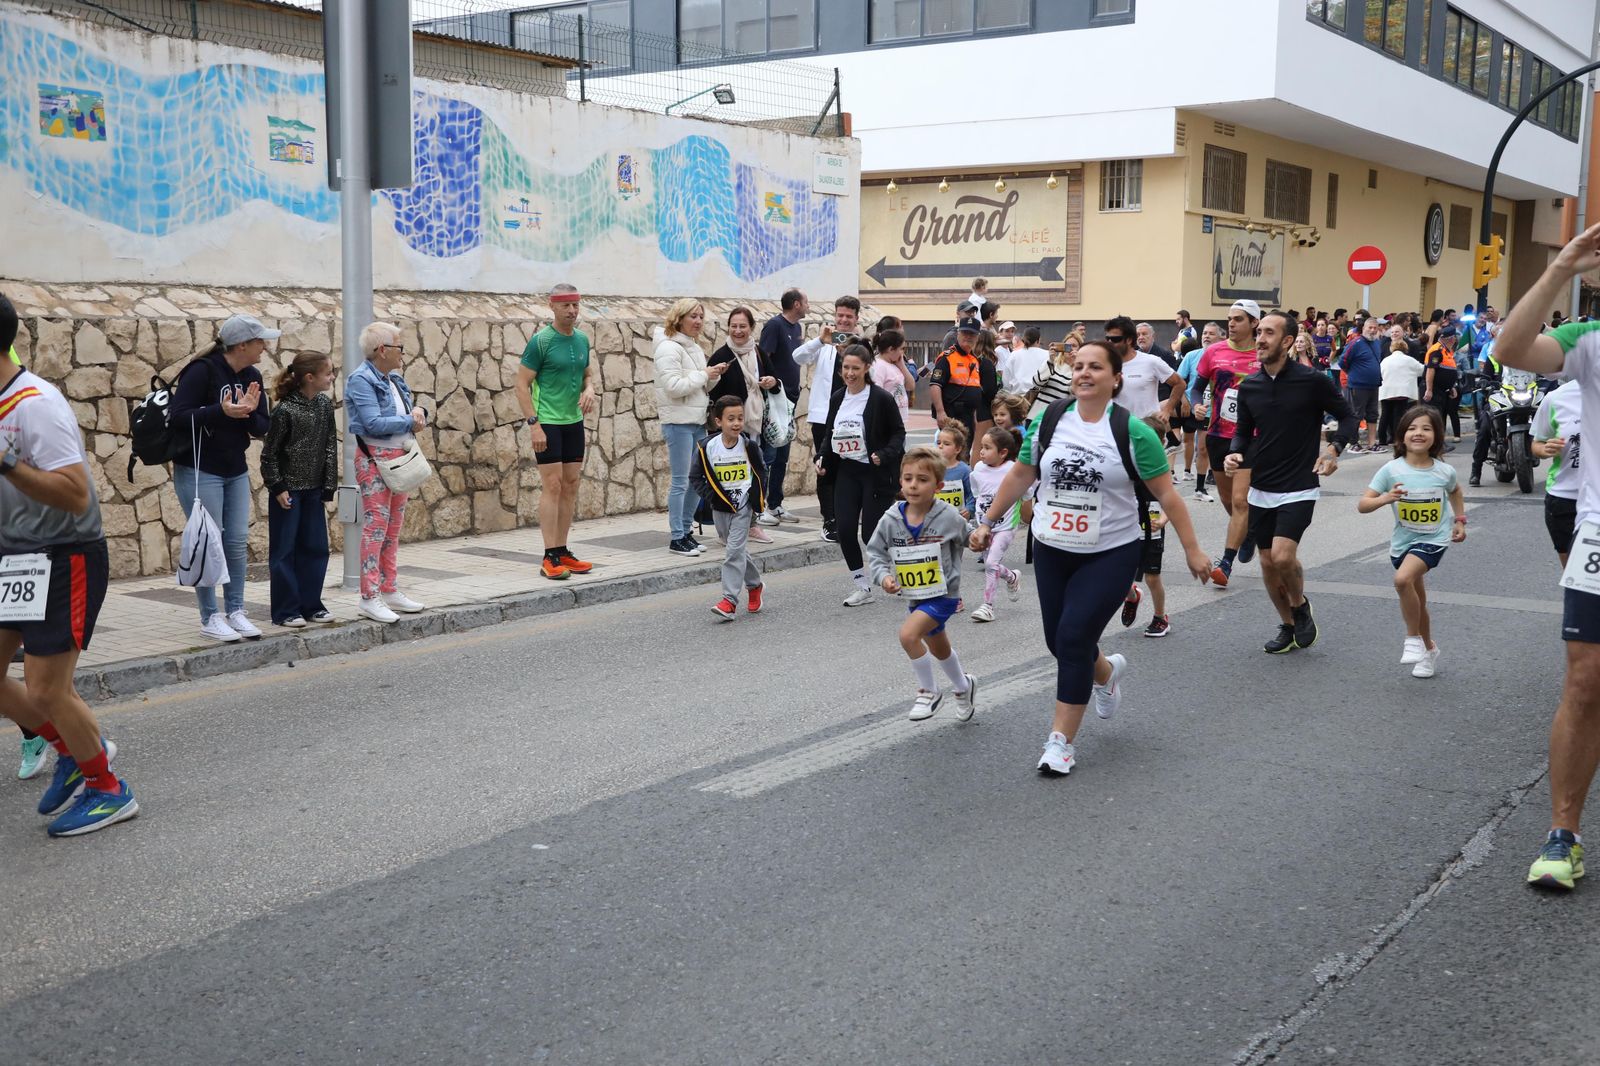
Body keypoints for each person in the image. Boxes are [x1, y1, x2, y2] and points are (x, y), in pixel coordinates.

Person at [971, 341, 1210, 777]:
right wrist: (987, 521)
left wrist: (1193, 550)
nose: (1084, 373)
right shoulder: (1049, 421)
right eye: (1078, 365)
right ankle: (1106, 675)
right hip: (1051, 547)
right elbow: (1023, 474)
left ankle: (1060, 742)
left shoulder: (1133, 432)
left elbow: (1167, 494)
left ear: (1115, 378)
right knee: (1060, 642)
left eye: (1095, 367)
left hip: (1111, 552)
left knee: (1075, 636)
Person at [0, 293, 135, 836]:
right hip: (12, 556)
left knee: (46, 688)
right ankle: (73, 752)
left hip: (64, 554)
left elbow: (76, 494)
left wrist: (7, 462)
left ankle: (108, 789)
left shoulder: (36, 403)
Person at [1500, 224, 1600, 889]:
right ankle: (1563, 833)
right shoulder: (1589, 342)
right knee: (1586, 680)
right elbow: (1510, 349)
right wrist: (1560, 267)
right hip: (1599, 532)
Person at [1223, 311, 1358, 654]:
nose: (1261, 338)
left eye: (1269, 333)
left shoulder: (1311, 381)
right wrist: (1234, 454)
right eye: (1260, 332)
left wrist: (1333, 450)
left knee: (1283, 557)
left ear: (1287, 341)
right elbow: (1242, 431)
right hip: (1261, 485)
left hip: (1300, 483)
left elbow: (1347, 417)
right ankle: (1287, 625)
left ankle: (1299, 607)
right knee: (1267, 563)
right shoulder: (1250, 386)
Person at [170, 313, 272, 643]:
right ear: (242, 344)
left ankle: (236, 611)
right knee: (206, 542)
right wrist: (221, 411)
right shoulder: (203, 371)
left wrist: (249, 413)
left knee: (235, 542)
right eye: (260, 342)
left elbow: (261, 427)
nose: (265, 347)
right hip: (200, 471)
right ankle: (209, 616)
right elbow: (178, 416)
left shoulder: (252, 375)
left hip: (235, 469)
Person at [866, 446, 977, 722]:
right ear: (901, 481)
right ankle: (964, 687)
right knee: (940, 649)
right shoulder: (891, 519)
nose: (914, 485)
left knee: (908, 636)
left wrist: (978, 538)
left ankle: (929, 691)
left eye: (923, 480)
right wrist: (885, 578)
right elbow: (876, 552)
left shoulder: (948, 516)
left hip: (944, 594)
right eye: (908, 478)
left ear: (938, 486)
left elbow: (969, 537)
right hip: (916, 596)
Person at [1357, 404, 1466, 679]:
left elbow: (1455, 491)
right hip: (1403, 542)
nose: (1419, 433)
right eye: (1412, 428)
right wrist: (1385, 498)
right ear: (1401, 436)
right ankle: (1428, 651)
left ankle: (1412, 639)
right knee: (1418, 600)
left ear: (1436, 436)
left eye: (1426, 428)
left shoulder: (1443, 471)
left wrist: (1460, 520)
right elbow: (1363, 505)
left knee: (1402, 581)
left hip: (1433, 539)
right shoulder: (1391, 470)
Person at [346, 322, 429, 623]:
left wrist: (419, 413)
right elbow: (373, 424)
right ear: (383, 350)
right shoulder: (361, 380)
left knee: (393, 528)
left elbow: (406, 413)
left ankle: (389, 588)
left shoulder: (393, 379)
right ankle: (369, 596)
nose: (403, 353)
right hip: (375, 461)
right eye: (399, 347)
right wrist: (409, 419)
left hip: (399, 460)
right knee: (376, 527)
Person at [517, 283, 599, 579]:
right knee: (552, 485)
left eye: (576, 305)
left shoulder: (581, 340)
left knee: (571, 484)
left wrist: (589, 389)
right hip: (547, 422)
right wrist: (534, 425)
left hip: (573, 421)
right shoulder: (541, 341)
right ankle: (549, 555)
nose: (572, 310)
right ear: (552, 306)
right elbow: (521, 384)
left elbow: (587, 373)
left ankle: (563, 550)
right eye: (566, 305)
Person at [820, 344, 906, 607]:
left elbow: (898, 434)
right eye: (846, 367)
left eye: (855, 368)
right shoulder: (837, 398)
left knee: (871, 535)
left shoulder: (880, 398)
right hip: (847, 471)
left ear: (867, 367)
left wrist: (884, 454)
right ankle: (862, 586)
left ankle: (903, 572)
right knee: (845, 531)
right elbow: (829, 434)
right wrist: (821, 458)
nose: (849, 373)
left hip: (875, 473)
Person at [260, 352, 338, 628]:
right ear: (310, 377)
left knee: (316, 548)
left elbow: (330, 445)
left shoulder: (324, 406)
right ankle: (285, 610)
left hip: (313, 491)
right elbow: (269, 455)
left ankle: (311, 605)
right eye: (328, 373)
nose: (332, 377)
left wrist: (328, 485)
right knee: (284, 552)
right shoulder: (284, 410)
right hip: (288, 493)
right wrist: (278, 486)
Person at [1189, 300, 1263, 586]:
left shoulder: (1263, 353)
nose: (1231, 324)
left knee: (1241, 500)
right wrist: (1197, 405)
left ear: (1254, 323)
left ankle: (1226, 563)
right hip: (1219, 434)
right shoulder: (1213, 352)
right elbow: (1196, 388)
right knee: (1226, 499)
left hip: (1252, 437)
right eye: (1229, 319)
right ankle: (1248, 531)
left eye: (1238, 319)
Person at [690, 396, 768, 621]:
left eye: (740, 418)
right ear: (718, 422)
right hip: (720, 508)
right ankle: (755, 586)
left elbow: (761, 473)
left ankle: (729, 602)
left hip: (743, 507)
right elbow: (695, 476)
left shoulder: (749, 447)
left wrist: (757, 501)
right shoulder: (707, 447)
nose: (736, 423)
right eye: (730, 418)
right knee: (737, 550)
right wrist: (711, 496)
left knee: (733, 552)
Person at [652, 298, 720, 558]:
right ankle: (676, 537)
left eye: (701, 316)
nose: (699, 321)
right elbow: (674, 387)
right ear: (678, 318)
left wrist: (713, 375)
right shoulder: (669, 348)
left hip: (696, 421)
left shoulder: (692, 347)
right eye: (693, 316)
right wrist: (704, 374)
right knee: (681, 481)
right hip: (678, 423)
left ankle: (686, 531)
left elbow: (698, 388)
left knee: (696, 480)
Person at [708, 306, 778, 545]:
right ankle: (726, 529)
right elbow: (712, 394)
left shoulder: (758, 353)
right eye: (734, 326)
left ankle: (752, 524)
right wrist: (715, 376)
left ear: (751, 328)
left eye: (743, 326)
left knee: (756, 475)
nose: (738, 331)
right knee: (729, 478)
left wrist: (771, 382)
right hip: (728, 431)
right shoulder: (721, 356)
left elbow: (775, 381)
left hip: (754, 427)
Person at [796, 296, 863, 543]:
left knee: (851, 466)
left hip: (852, 418)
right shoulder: (823, 345)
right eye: (840, 315)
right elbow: (798, 357)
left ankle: (846, 514)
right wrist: (819, 340)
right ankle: (829, 519)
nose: (844, 320)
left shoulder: (860, 345)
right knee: (825, 466)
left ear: (856, 319)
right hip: (824, 417)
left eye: (849, 316)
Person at [756, 289, 808, 526]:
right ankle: (760, 507)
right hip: (775, 399)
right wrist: (771, 387)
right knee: (769, 454)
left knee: (782, 455)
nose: (807, 305)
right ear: (797, 304)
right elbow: (763, 357)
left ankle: (775, 504)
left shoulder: (796, 328)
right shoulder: (775, 326)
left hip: (790, 400)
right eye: (805, 302)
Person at [967, 427, 1022, 623]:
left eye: (987, 448)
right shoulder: (979, 470)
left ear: (1003, 452)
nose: (981, 451)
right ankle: (1012, 577)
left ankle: (988, 607)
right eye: (981, 447)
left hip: (1006, 526)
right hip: (984, 526)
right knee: (993, 564)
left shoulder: (1013, 470)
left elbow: (1028, 490)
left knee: (991, 564)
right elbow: (977, 494)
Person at [1533, 379, 1583, 566]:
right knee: (1576, 580)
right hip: (1565, 500)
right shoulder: (1556, 398)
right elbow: (1537, 443)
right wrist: (1545, 448)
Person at [1111, 316, 1185, 424]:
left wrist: (1167, 410)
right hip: (1119, 424)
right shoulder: (1109, 362)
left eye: (1144, 334)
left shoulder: (1159, 357)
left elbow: (1179, 383)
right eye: (1138, 335)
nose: (1141, 337)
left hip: (1149, 422)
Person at [929, 317, 986, 450]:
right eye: (965, 333)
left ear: (977, 337)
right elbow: (935, 385)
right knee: (950, 453)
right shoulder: (947, 357)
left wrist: (975, 418)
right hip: (952, 415)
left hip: (968, 416)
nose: (968, 337)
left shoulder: (974, 360)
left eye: (972, 334)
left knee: (964, 453)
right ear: (958, 334)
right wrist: (940, 412)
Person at [1339, 316, 1385, 453]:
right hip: (1358, 385)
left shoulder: (1377, 343)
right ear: (1363, 328)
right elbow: (1343, 362)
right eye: (1369, 328)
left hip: (1373, 384)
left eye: (1375, 328)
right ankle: (1353, 442)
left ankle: (1372, 444)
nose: (1372, 330)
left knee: (1372, 414)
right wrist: (1353, 374)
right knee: (1356, 414)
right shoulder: (1355, 343)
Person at [1378, 333, 1426, 448]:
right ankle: (1397, 438)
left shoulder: (1385, 360)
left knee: (1385, 415)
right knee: (1398, 415)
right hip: (1402, 391)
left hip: (1386, 391)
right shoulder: (1409, 360)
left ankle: (1382, 439)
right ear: (1405, 348)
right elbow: (1422, 370)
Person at [967, 328, 1004, 465]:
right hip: (983, 409)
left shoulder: (971, 360)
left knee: (974, 445)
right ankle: (976, 475)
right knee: (980, 446)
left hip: (971, 406)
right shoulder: (986, 363)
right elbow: (989, 391)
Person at [1422, 327, 1462, 448]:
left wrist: (1451, 387)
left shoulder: (1447, 351)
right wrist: (1429, 389)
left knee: (1439, 417)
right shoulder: (1437, 350)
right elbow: (1430, 370)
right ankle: (1435, 445)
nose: (1455, 340)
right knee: (1434, 417)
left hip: (1442, 390)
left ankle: (1438, 444)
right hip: (1434, 390)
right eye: (1454, 338)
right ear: (1450, 339)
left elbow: (1448, 371)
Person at [870, 328, 915, 424]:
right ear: (891, 349)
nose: (903, 352)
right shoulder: (878, 365)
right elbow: (876, 395)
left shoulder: (895, 364)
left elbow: (910, 386)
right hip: (886, 421)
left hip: (898, 419)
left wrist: (902, 366)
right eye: (901, 349)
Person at [934, 420, 975, 521]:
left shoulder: (964, 470)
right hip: (935, 519)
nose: (940, 446)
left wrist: (969, 510)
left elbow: (972, 494)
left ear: (958, 449)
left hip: (957, 520)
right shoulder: (932, 467)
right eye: (938, 443)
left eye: (946, 444)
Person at [1003, 326, 1050, 394]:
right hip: (1040, 398)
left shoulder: (1014, 355)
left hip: (1017, 397)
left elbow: (1006, 380)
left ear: (1023, 340)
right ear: (1038, 340)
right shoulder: (1047, 354)